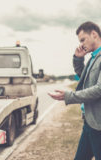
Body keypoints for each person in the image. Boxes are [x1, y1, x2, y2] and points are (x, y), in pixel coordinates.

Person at [48, 21, 101, 160]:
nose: (82, 44)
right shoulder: (94, 58)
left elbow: (99, 89)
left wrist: (69, 96)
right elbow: (85, 79)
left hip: (99, 125)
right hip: (89, 122)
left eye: (83, 39)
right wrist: (78, 59)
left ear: (94, 34)